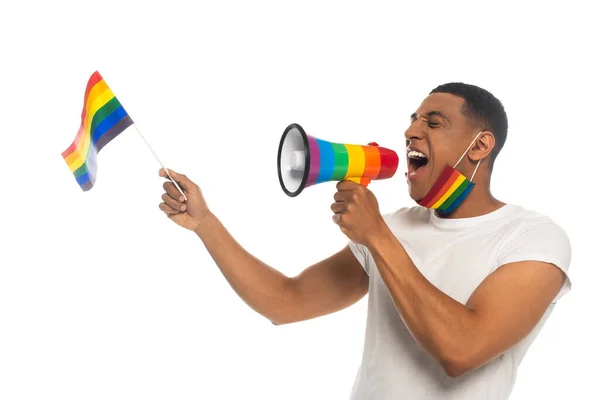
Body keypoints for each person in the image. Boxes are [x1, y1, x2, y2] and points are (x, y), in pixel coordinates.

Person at [157, 82, 571, 399]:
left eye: (433, 122)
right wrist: (205, 223)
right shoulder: (393, 228)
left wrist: (377, 236)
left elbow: (461, 351)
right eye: (412, 119)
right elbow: (284, 301)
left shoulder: (532, 237)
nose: (411, 130)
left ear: (480, 145)